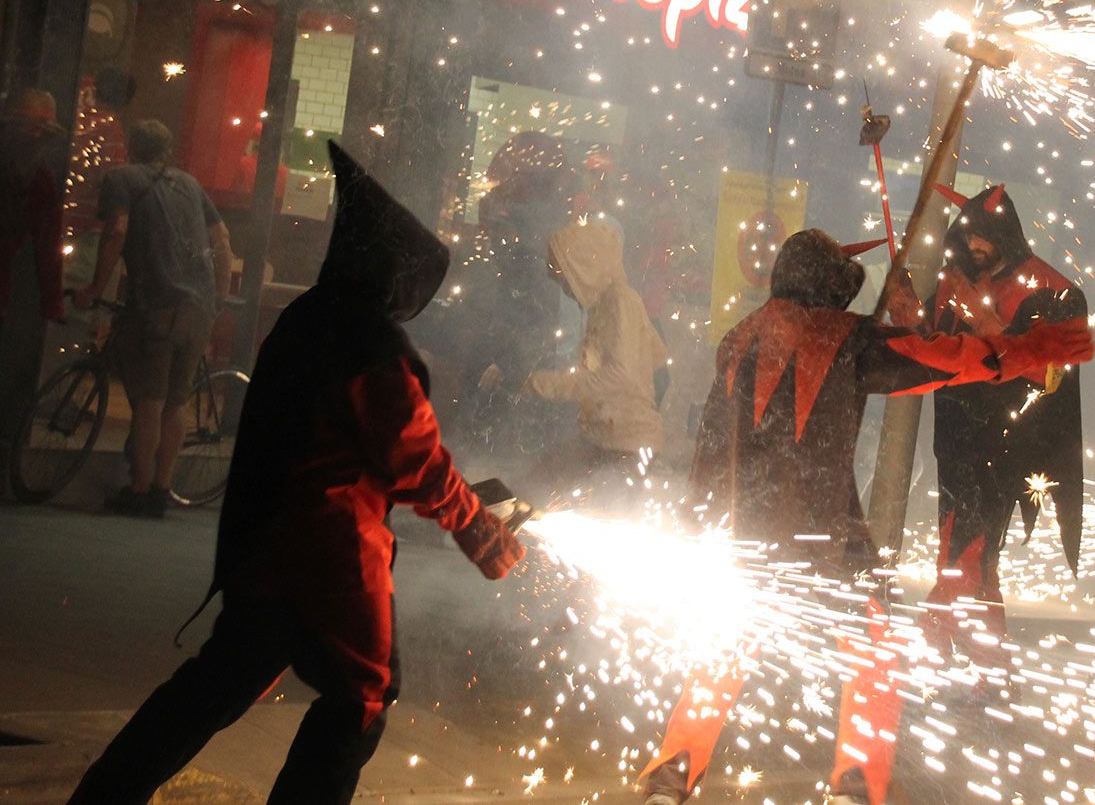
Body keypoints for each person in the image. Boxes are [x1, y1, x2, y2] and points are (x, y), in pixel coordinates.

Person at [69, 141, 526, 804]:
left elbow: (362, 445)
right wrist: (477, 528)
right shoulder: (372, 345)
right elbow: (416, 459)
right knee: (362, 696)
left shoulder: (307, 317)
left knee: (217, 683)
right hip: (331, 553)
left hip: (264, 540)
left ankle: (102, 795)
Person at [638, 229, 1095, 805]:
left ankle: (672, 776)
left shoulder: (742, 335)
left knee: (723, 652)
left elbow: (712, 440)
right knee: (875, 651)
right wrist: (1030, 349)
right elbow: (945, 359)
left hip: (744, 532)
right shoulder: (845, 337)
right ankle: (857, 784)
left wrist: (696, 524)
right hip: (826, 535)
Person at [885, 183, 1088, 655]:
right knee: (972, 559)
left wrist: (990, 322)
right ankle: (988, 673)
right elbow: (933, 345)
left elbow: (1052, 373)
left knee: (965, 558)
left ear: (1005, 233)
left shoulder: (1049, 288)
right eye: (968, 235)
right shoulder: (955, 280)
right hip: (954, 442)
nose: (974, 244)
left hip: (1007, 448)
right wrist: (908, 309)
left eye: (985, 235)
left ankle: (933, 645)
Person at [74, 119, 232, 519]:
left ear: (132, 148)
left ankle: (140, 488)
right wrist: (218, 297)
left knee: (149, 402)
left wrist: (95, 287)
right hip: (198, 309)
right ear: (167, 150)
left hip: (156, 306)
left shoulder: (121, 179)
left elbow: (116, 231)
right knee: (176, 403)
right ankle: (162, 487)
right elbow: (222, 239)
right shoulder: (191, 184)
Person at [481, 217, 668, 504]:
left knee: (588, 510)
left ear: (585, 267)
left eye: (564, 275)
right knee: (530, 491)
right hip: (601, 434)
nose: (564, 286)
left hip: (626, 443)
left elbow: (621, 374)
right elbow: (654, 359)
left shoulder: (621, 301)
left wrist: (541, 384)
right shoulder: (604, 304)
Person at [0, 88, 68, 326]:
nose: (37, 137)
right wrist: (52, 303)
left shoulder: (40, 178)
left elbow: (48, 243)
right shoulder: (39, 177)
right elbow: (48, 245)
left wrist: (52, 302)